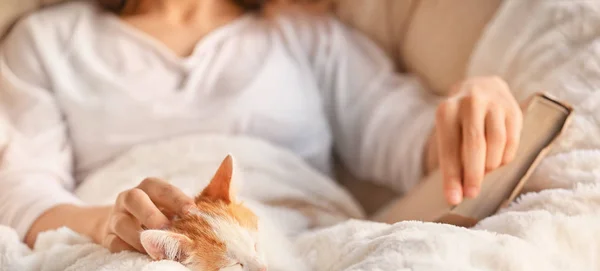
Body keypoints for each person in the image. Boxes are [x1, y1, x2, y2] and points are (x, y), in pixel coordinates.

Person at [0, 0, 522, 254]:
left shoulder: (303, 35)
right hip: (135, 258)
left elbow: (414, 142)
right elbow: (25, 200)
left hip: (309, 249)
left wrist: (474, 104)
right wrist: (112, 226)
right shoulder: (47, 41)